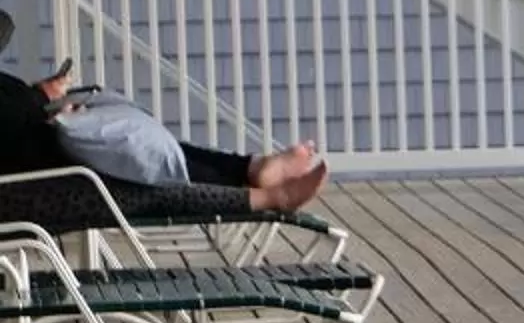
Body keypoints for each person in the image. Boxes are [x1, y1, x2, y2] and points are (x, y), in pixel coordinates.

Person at [0, 58, 328, 231]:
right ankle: (270, 196)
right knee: (139, 178)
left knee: (147, 149)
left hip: (35, 160)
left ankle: (251, 168)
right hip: (21, 189)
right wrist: (42, 97)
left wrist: (46, 101)